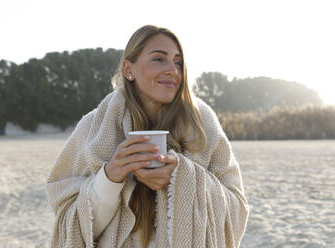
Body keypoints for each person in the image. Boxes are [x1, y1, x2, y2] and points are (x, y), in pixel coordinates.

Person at [46, 25, 249, 248]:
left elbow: (237, 210)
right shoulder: (93, 127)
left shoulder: (203, 124)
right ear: (128, 69)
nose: (173, 70)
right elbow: (73, 225)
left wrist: (181, 177)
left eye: (178, 62)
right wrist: (110, 177)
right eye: (159, 59)